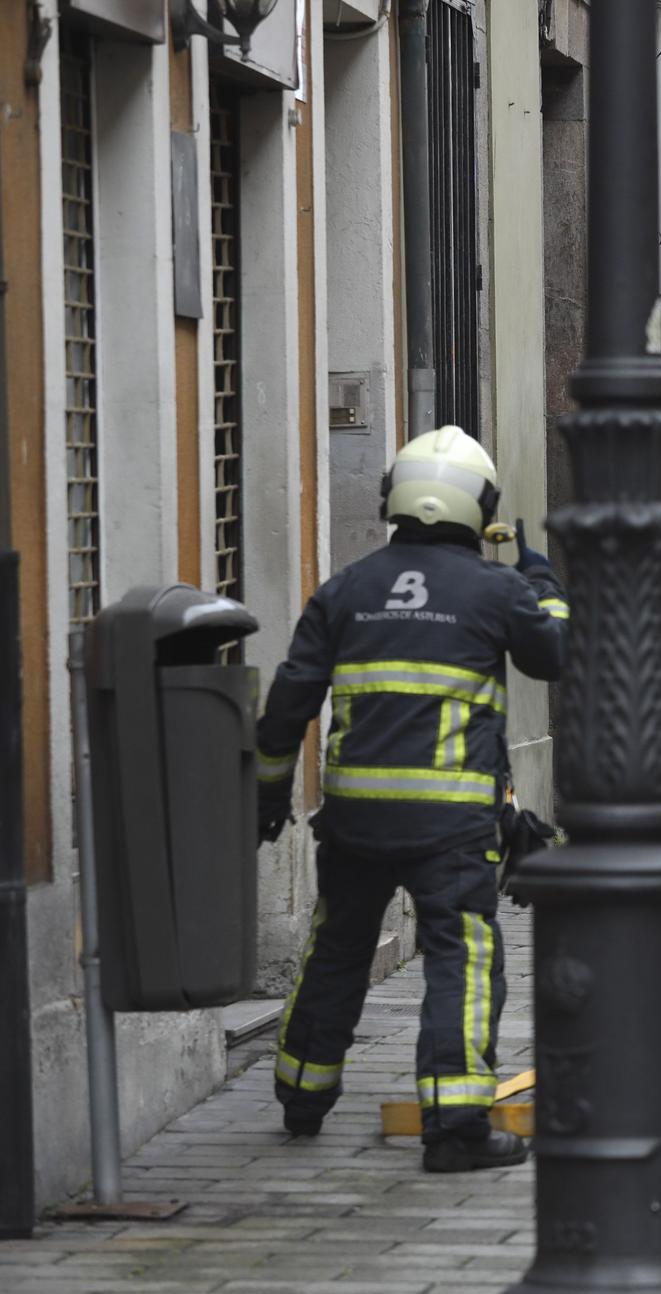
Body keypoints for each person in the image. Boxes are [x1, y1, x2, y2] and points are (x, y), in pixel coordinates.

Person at [254, 426, 568, 1173]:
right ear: (478, 504)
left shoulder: (346, 588)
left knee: (337, 947)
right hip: (452, 825)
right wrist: (542, 582)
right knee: (462, 955)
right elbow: (552, 654)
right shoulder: (496, 589)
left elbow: (286, 705)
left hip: (357, 818)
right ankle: (455, 1127)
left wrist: (269, 795)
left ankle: (302, 1093)